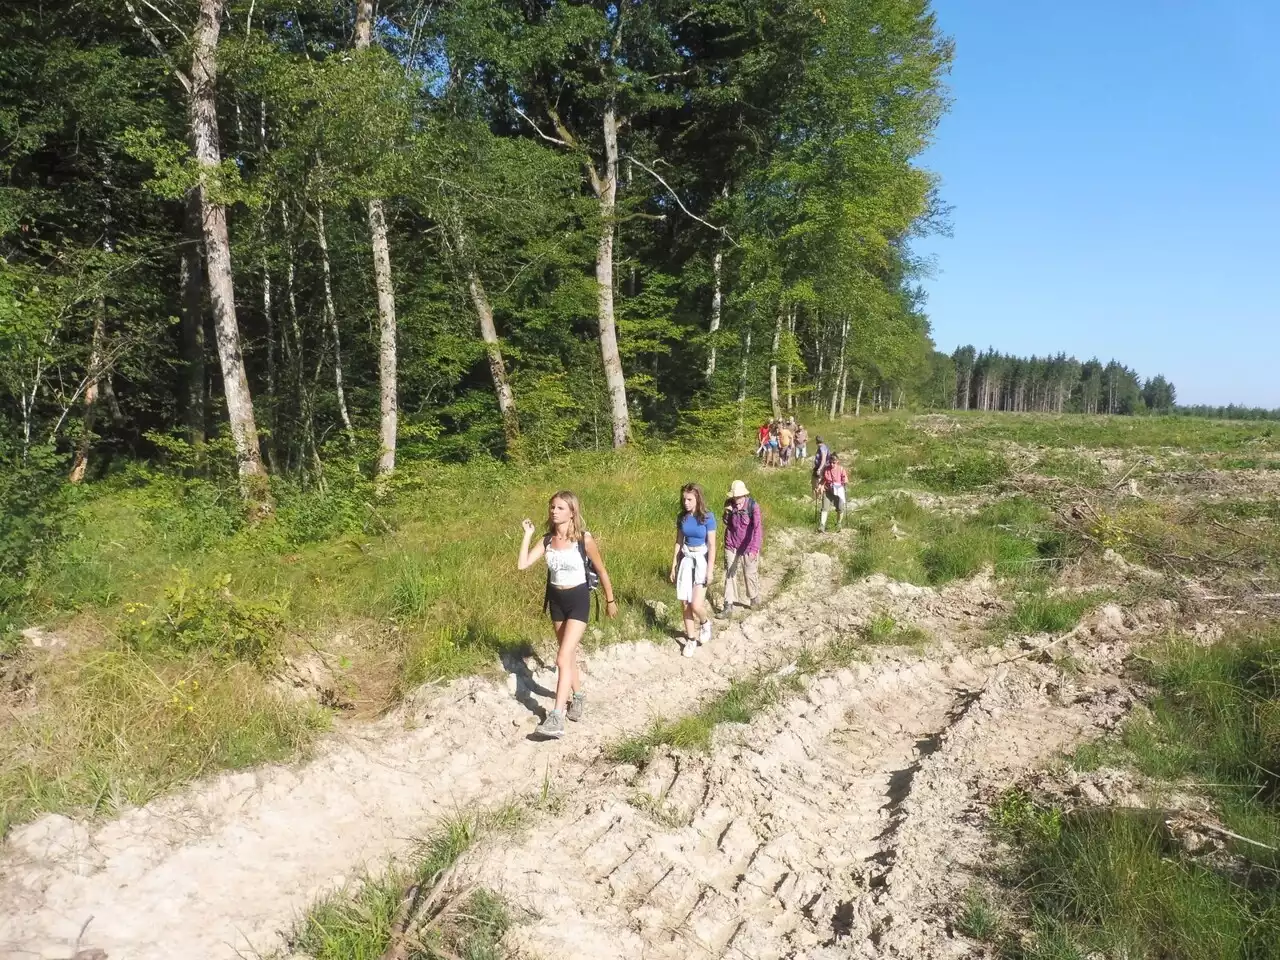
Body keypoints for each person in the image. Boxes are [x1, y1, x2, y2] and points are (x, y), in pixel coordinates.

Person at [518, 491, 618, 739]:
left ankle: (556, 717)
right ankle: (579, 696)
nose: (554, 511)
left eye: (560, 508)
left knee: (562, 657)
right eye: (552, 507)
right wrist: (528, 536)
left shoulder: (584, 539)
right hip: (557, 601)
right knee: (568, 654)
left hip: (578, 601)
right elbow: (522, 564)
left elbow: (602, 571)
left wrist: (610, 599)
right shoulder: (547, 541)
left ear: (572, 512)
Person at [670, 483, 716, 657]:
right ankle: (690, 639)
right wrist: (674, 563)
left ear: (697, 498)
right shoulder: (682, 518)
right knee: (684, 603)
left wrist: (710, 570)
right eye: (684, 499)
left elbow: (712, 545)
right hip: (686, 560)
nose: (686, 503)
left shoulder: (707, 517)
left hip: (701, 560)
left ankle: (704, 622)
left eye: (689, 499)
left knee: (696, 604)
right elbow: (679, 541)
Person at [722, 480, 762, 613]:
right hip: (732, 543)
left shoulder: (753, 507)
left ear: (744, 495)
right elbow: (727, 524)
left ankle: (753, 597)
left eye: (738, 497)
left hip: (748, 545)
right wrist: (727, 514)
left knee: (749, 573)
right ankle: (728, 605)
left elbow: (757, 529)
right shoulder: (729, 505)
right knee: (730, 572)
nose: (736, 499)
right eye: (734, 497)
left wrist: (754, 549)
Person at [819, 453, 849, 532]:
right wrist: (820, 486)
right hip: (828, 490)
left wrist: (843, 484)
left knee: (840, 508)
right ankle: (822, 525)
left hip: (838, 491)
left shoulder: (841, 469)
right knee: (824, 508)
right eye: (830, 462)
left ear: (837, 461)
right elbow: (823, 479)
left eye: (834, 463)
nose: (832, 464)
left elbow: (845, 479)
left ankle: (839, 523)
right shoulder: (826, 469)